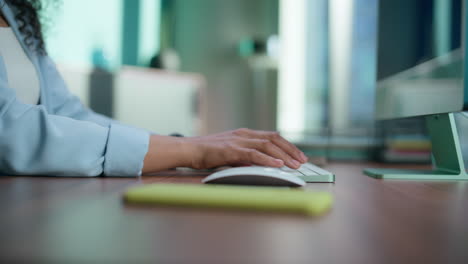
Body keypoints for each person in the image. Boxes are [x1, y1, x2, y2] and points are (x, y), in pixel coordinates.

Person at [0, 0, 307, 177]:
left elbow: (68, 112)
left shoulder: (16, 11)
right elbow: (9, 133)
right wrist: (191, 151)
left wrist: (183, 146)